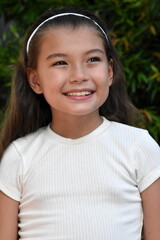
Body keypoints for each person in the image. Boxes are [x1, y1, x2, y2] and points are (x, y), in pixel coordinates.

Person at [0, 6, 160, 240]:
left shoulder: (139, 147)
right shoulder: (19, 157)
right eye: (60, 63)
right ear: (35, 80)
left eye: (92, 59)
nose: (79, 75)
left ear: (110, 71)